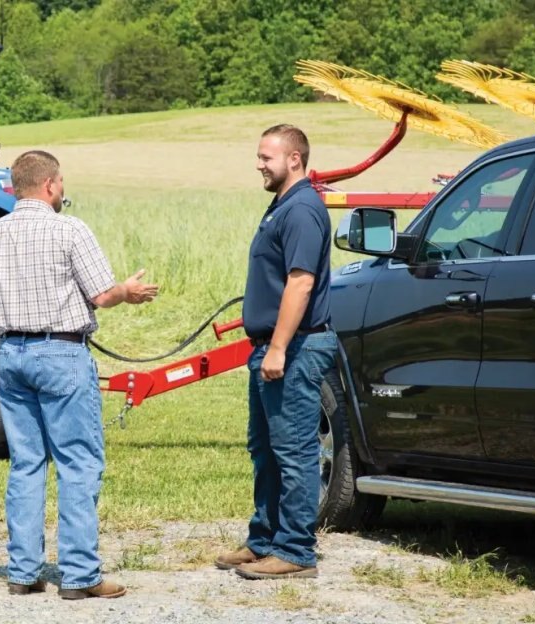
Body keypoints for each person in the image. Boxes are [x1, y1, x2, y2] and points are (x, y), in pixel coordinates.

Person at [0, 150, 158, 599]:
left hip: (10, 353)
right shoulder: (69, 229)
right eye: (61, 183)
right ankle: (79, 576)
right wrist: (127, 293)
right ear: (51, 185)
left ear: (15, 186)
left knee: (26, 463)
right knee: (78, 463)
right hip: (61, 352)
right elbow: (102, 293)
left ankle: (22, 571)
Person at [215, 124, 339, 580]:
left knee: (294, 450)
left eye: (266, 157)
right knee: (265, 448)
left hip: (296, 347)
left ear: (294, 159)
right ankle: (263, 540)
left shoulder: (303, 208)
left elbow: (301, 281)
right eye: (259, 156)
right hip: (272, 346)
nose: (259, 164)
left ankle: (295, 551)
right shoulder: (283, 205)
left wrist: (280, 347)